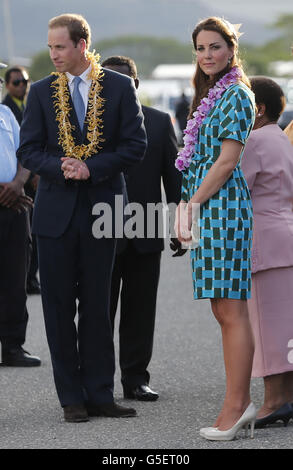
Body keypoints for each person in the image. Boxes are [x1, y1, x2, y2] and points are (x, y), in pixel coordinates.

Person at [17, 14, 147, 423]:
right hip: (55, 214)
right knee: (57, 308)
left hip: (103, 209)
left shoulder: (120, 87)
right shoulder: (40, 92)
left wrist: (93, 167)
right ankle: (70, 397)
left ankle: (101, 394)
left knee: (97, 304)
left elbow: (135, 146)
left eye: (60, 46)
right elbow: (28, 151)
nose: (53, 54)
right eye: (51, 46)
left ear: (82, 44)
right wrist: (61, 167)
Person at [174, 17, 257, 441]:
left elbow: (226, 162)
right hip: (208, 208)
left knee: (231, 308)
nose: (207, 56)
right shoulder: (211, 93)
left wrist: (191, 205)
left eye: (215, 47)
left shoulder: (238, 94)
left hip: (222, 208)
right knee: (221, 308)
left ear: (231, 49)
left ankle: (237, 406)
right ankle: (235, 402)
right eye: (201, 49)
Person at [102, 55, 184, 402]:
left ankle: (136, 379)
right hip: (99, 230)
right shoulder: (88, 124)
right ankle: (97, 382)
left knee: (140, 310)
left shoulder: (158, 120)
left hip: (147, 229)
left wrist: (180, 224)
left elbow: (173, 176)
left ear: (135, 84)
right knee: (98, 311)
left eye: (123, 80)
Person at [241, 77, 293, 428]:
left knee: (266, 324)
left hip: (263, 236)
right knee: (286, 324)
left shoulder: (255, 140)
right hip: (285, 231)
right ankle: (286, 398)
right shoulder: (282, 135)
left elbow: (235, 187)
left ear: (257, 109)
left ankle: (273, 402)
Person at [0, 62, 41, 367]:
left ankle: (13, 347)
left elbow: (26, 153)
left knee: (15, 280)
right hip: (9, 199)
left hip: (14, 206)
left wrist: (17, 183)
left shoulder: (6, 116)